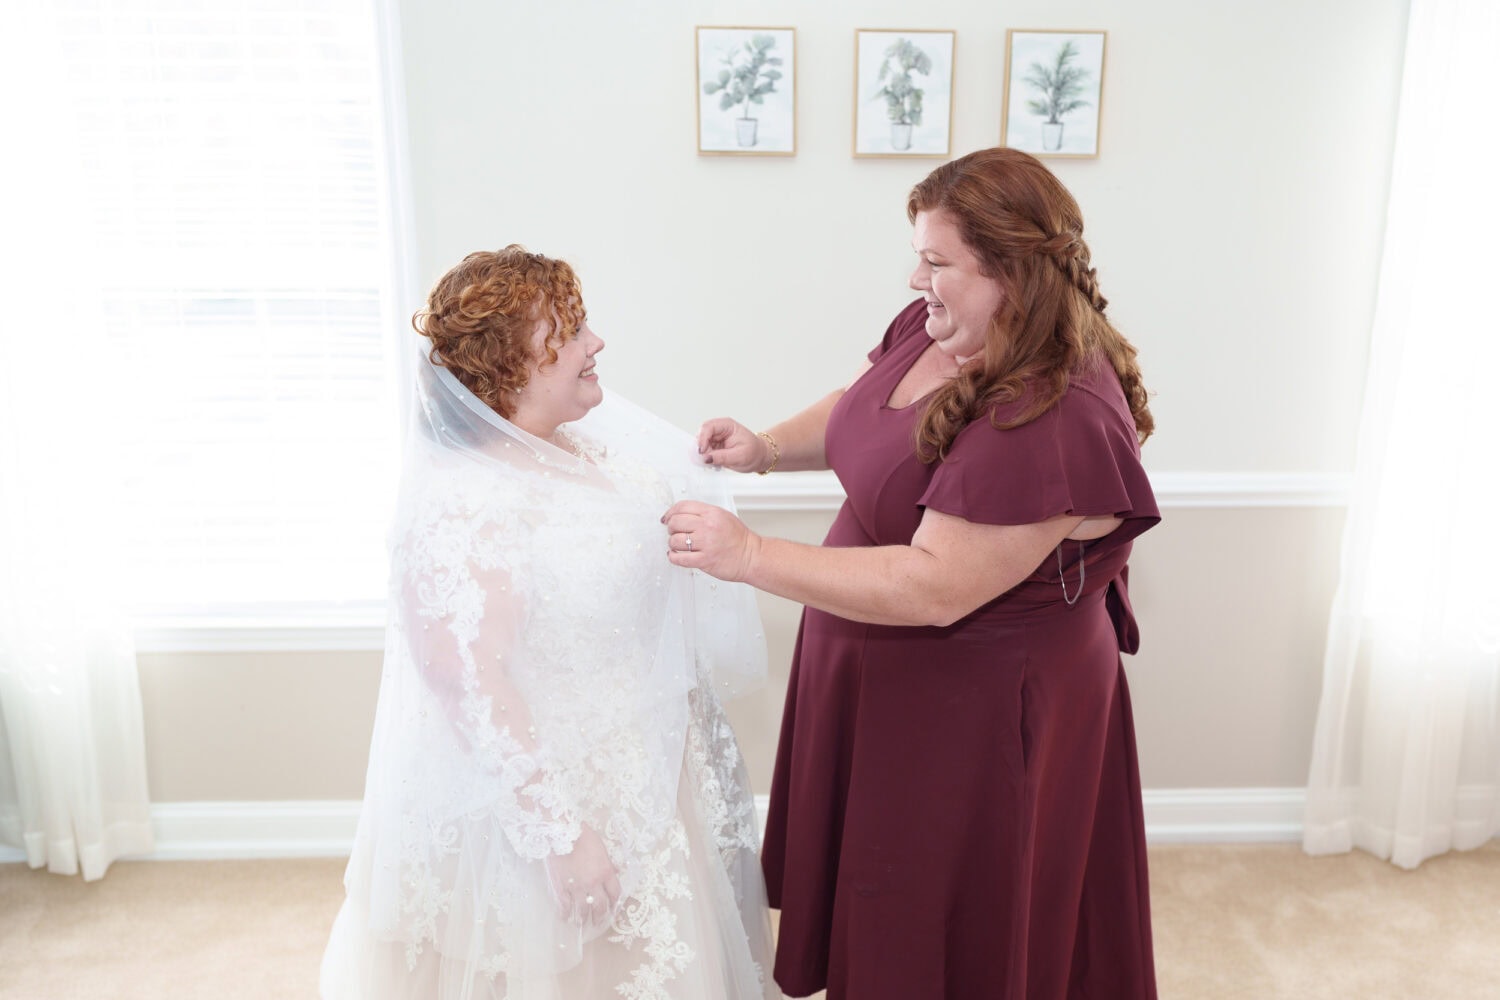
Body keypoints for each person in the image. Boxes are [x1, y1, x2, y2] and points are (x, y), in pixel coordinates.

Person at [661, 147, 1161, 999]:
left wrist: (748, 557)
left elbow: (935, 585)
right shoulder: (941, 325)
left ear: (1011, 271)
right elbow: (863, 405)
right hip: (887, 669)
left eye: (937, 261)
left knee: (950, 921)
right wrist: (767, 449)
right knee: (884, 896)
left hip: (973, 708)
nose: (914, 277)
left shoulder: (1047, 412)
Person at [322, 246, 780, 1000]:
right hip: (549, 792)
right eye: (568, 331)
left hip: (647, 764)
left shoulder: (589, 451)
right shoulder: (463, 502)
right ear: (509, 365)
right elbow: (463, 678)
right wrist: (559, 835)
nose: (595, 343)